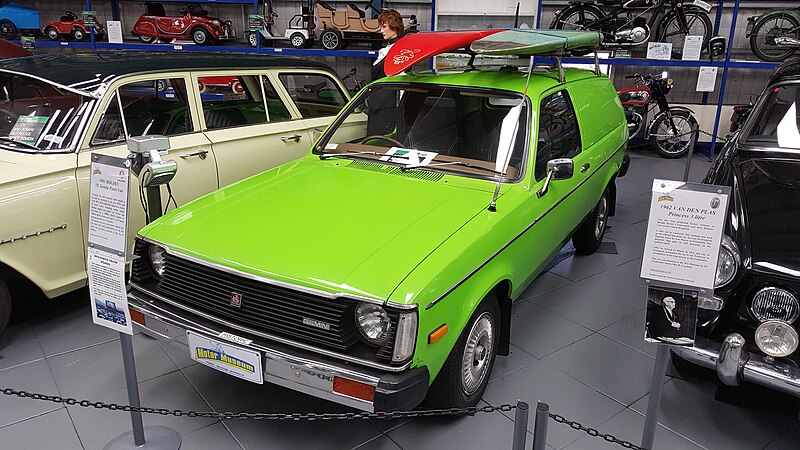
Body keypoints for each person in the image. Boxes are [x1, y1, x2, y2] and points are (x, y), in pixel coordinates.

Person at [366, 10, 405, 135]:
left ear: (394, 26)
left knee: (381, 144)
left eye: (384, 27)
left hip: (389, 107)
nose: (381, 31)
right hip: (377, 104)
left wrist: (402, 108)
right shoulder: (387, 49)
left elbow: (402, 79)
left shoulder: (400, 50)